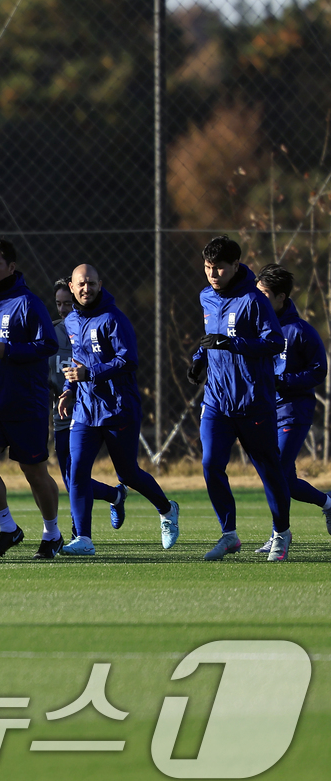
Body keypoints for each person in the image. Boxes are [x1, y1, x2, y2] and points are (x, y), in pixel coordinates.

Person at [56, 264, 179, 555]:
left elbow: (129, 360)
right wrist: (69, 390)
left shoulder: (114, 319)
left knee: (128, 474)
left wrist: (91, 374)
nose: (86, 289)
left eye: (91, 283)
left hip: (117, 408)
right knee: (76, 471)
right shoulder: (72, 321)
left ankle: (166, 509)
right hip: (86, 410)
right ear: (72, 288)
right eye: (80, 284)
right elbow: (77, 363)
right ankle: (84, 539)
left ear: (100, 284)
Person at [190, 235, 294, 561]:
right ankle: (229, 534)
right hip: (217, 401)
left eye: (219, 268)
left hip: (252, 401)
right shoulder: (206, 297)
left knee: (268, 468)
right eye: (208, 268)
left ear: (236, 265)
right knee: (210, 465)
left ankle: (281, 532)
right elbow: (212, 338)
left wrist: (233, 344)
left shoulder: (254, 300)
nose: (213, 274)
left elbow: (275, 342)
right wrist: (199, 358)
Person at [0, 238, 64, 559]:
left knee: (33, 472)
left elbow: (48, 345)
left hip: (24, 404)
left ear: (11, 267)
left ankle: (52, 533)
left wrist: (10, 351)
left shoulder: (28, 302)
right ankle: (9, 528)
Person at [253, 263, 330, 553]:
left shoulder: (300, 331)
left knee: (277, 473)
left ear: (280, 297)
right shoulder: (257, 328)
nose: (257, 300)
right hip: (263, 411)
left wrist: (282, 381)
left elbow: (318, 371)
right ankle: (328, 503)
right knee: (282, 478)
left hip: (293, 412)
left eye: (264, 294)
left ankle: (278, 535)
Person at [49, 277, 124, 538]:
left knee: (77, 478)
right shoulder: (51, 333)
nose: (62, 309)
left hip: (91, 412)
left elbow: (121, 360)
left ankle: (79, 533)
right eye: (58, 304)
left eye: (67, 304)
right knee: (72, 482)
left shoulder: (98, 326)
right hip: (63, 414)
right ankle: (114, 494)